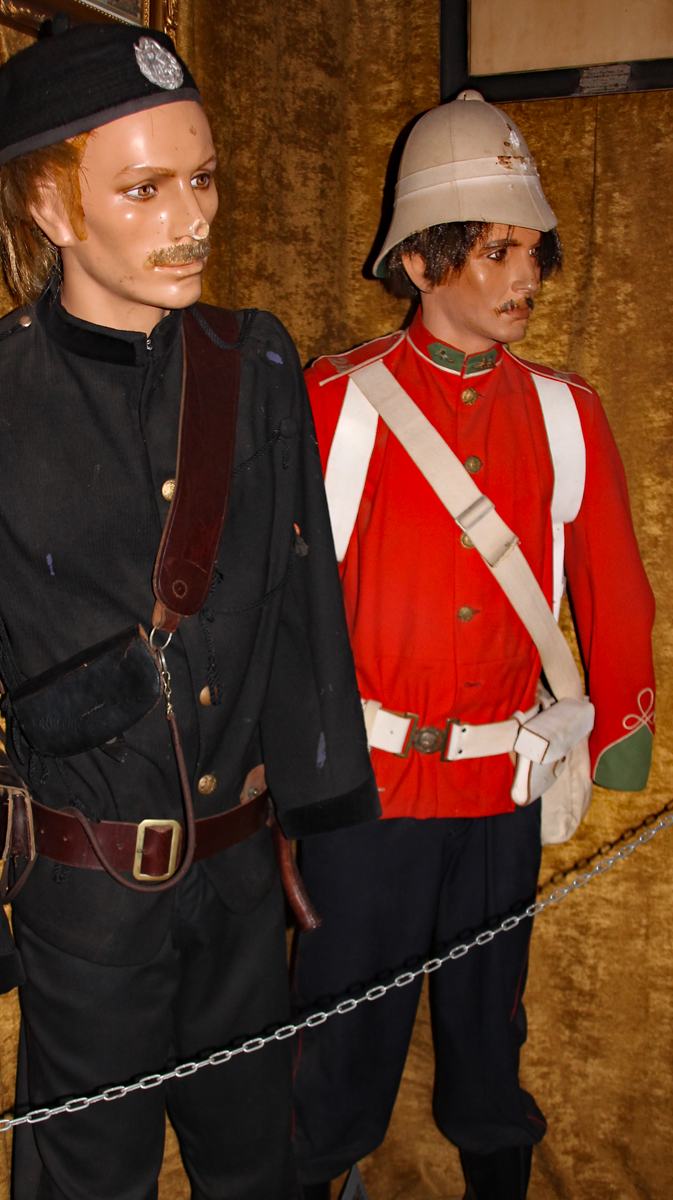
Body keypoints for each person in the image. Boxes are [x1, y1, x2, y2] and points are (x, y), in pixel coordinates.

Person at [0, 20, 380, 1200]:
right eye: (145, 189)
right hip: (87, 902)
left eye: (201, 178)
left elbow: (304, 597)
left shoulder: (256, 362)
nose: (191, 218)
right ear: (49, 206)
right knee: (88, 1181)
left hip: (245, 879)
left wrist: (326, 802)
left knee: (256, 1168)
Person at [293, 91, 655, 1200]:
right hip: (363, 796)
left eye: (532, 250)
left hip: (504, 790)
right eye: (496, 251)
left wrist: (623, 726)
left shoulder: (566, 414)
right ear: (419, 261)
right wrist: (270, 775)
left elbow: (612, 582)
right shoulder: (332, 405)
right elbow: (276, 606)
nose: (525, 275)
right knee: (335, 1048)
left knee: (491, 1043)